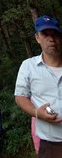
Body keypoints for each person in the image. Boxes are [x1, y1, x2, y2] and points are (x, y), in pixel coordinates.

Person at [15, 14, 62, 158]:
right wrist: (37, 113)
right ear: (37, 38)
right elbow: (20, 97)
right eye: (45, 34)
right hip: (50, 144)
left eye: (55, 34)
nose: (51, 39)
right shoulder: (28, 66)